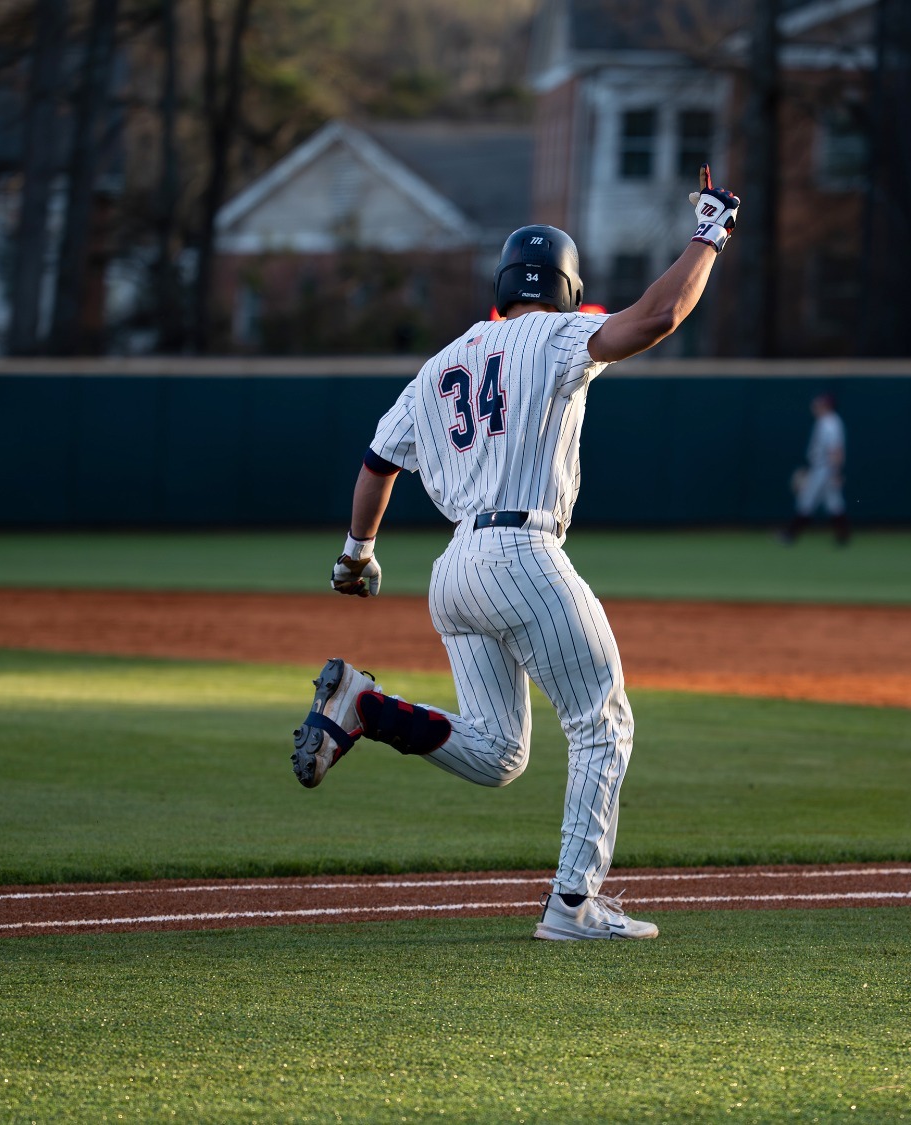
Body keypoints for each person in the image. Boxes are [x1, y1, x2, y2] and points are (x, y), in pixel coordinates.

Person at [291, 168, 741, 941]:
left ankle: (365, 706)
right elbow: (660, 315)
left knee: (499, 752)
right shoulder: (563, 333)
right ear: (568, 288)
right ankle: (573, 905)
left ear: (502, 286)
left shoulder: (440, 365)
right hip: (523, 550)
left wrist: (356, 554)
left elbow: (376, 463)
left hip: (455, 568)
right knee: (603, 723)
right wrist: (710, 231)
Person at [780, 393, 848, 545]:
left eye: (819, 405)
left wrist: (836, 473)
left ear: (826, 406)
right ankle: (843, 536)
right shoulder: (825, 422)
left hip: (824, 469)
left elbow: (835, 450)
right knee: (834, 503)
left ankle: (790, 534)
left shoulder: (830, 423)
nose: (815, 407)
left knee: (806, 501)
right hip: (823, 468)